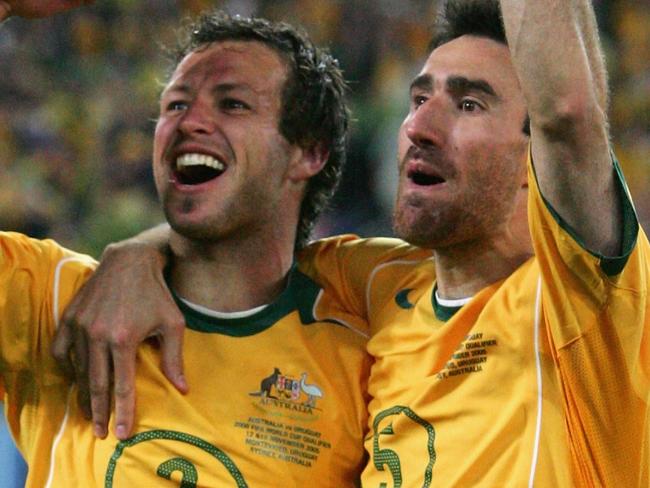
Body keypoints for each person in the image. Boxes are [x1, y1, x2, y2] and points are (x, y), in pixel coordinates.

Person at [66, 0, 649, 486]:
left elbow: (569, 112)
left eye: (469, 104)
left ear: (535, 159)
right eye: (420, 100)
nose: (420, 126)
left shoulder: (581, 300)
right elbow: (245, 226)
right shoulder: (371, 283)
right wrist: (138, 252)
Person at [0, 4, 372, 486]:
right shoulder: (59, 301)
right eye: (176, 104)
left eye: (232, 104)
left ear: (308, 153)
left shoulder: (358, 356)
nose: (190, 121)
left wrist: (141, 248)